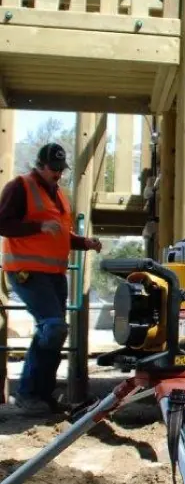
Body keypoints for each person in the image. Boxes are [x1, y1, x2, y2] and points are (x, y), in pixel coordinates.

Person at [0, 143, 102, 415]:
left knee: (51, 331)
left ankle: (40, 395)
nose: (58, 174)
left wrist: (84, 243)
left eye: (61, 169)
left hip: (55, 274)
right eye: (53, 169)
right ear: (40, 165)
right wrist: (38, 226)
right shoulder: (20, 187)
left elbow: (60, 235)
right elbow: (3, 223)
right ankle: (29, 393)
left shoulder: (58, 195)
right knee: (54, 328)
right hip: (27, 271)